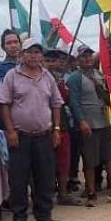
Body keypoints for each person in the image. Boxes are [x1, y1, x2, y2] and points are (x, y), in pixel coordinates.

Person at [0, 40, 64, 221]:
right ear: (22, 54)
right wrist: (10, 131)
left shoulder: (47, 76)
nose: (34, 56)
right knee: (18, 178)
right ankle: (19, 215)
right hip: (20, 135)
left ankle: (43, 214)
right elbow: (4, 104)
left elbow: (56, 103)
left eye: (37, 52)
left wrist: (57, 129)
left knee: (45, 177)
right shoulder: (12, 75)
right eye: (30, 52)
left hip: (44, 135)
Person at [67, 46, 111, 204]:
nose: (87, 59)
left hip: (104, 121)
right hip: (88, 123)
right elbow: (74, 102)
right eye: (83, 56)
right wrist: (81, 121)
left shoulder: (100, 75)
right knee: (89, 160)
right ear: (77, 60)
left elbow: (109, 97)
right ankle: (91, 192)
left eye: (89, 55)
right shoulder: (74, 78)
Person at [43, 48, 80, 207]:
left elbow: (65, 100)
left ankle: (63, 194)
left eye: (54, 61)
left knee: (63, 162)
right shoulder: (37, 78)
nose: (51, 64)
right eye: (48, 61)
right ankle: (45, 195)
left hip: (62, 125)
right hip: (44, 126)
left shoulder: (62, 79)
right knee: (45, 164)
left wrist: (60, 88)